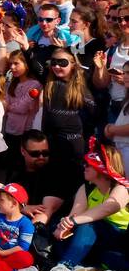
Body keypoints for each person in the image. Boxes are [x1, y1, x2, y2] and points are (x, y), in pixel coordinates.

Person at [44, 139, 129, 271]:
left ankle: (66, 266)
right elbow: (75, 214)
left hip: (120, 240)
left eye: (89, 164)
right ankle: (84, 269)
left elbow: (109, 208)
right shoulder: (86, 188)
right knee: (61, 241)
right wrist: (63, 227)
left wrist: (75, 221)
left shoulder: (121, 187)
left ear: (102, 167)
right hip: (98, 243)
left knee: (90, 223)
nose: (84, 167)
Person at [40, 47, 96, 188]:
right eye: (54, 62)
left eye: (62, 63)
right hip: (51, 141)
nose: (57, 66)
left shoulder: (79, 87)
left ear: (73, 65)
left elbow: (95, 112)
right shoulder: (49, 83)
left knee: (73, 179)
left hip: (73, 142)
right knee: (54, 179)